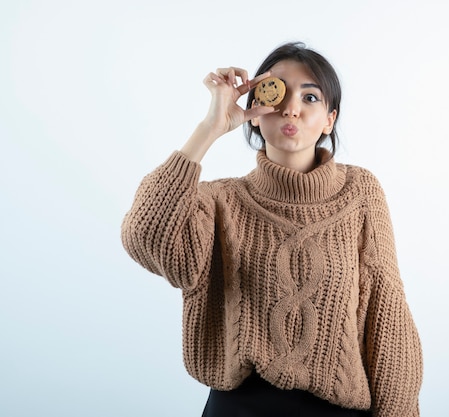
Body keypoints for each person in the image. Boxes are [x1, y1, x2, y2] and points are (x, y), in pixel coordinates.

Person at [121, 42, 423, 417]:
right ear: (255, 110)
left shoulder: (361, 192)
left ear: (330, 119)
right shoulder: (218, 200)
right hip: (239, 408)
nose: (291, 108)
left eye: (310, 96)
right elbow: (144, 235)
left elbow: (388, 312)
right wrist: (210, 128)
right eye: (277, 92)